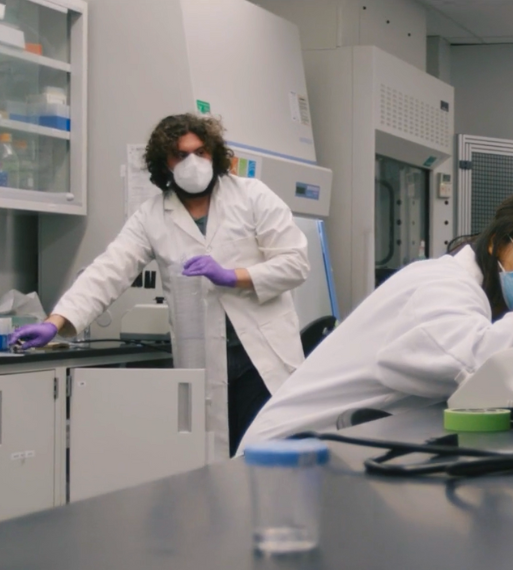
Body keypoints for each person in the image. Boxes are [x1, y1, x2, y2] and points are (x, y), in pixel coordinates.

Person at [238, 191, 513, 451]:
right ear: (497, 241)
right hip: (283, 460)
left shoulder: (476, 300)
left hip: (332, 454)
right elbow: (474, 364)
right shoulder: (440, 283)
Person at [12, 114, 310, 459]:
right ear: (164, 163)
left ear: (214, 153)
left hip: (262, 359)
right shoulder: (151, 216)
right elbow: (108, 271)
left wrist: (234, 276)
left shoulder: (252, 196)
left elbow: (296, 263)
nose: (193, 162)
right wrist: (56, 321)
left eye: (200, 152)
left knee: (267, 464)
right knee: (216, 468)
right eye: (181, 155)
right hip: (205, 363)